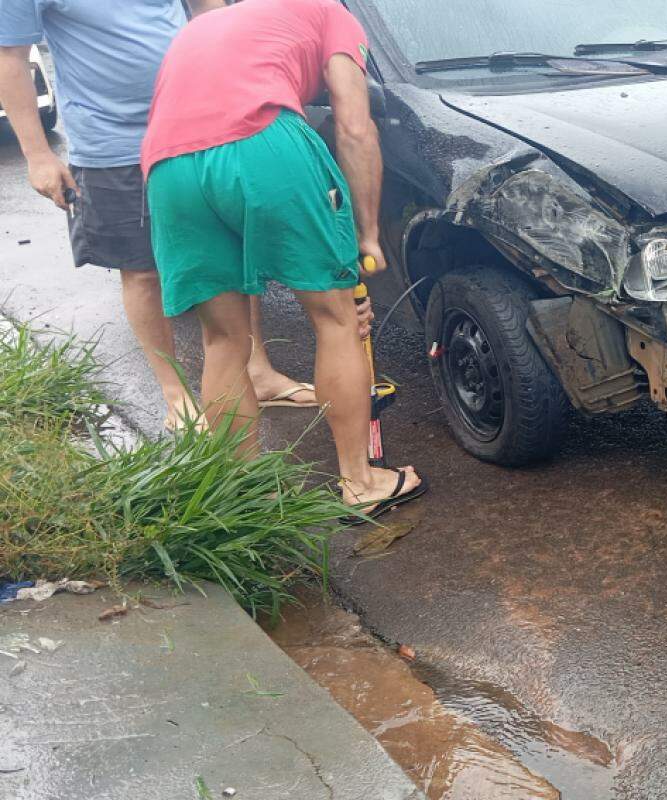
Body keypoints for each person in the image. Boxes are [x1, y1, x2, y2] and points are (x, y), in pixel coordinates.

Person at [142, 0, 423, 517]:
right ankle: (361, 482)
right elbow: (355, 127)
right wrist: (366, 237)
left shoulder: (209, 25)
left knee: (223, 339)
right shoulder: (331, 13)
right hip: (262, 142)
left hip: (167, 166)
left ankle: (247, 497)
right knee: (335, 318)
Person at [0, 0, 329, 432]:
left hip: (202, 122)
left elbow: (211, 10)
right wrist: (38, 154)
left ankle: (258, 372)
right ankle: (176, 396)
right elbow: (10, 58)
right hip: (112, 145)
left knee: (230, 258)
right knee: (142, 271)